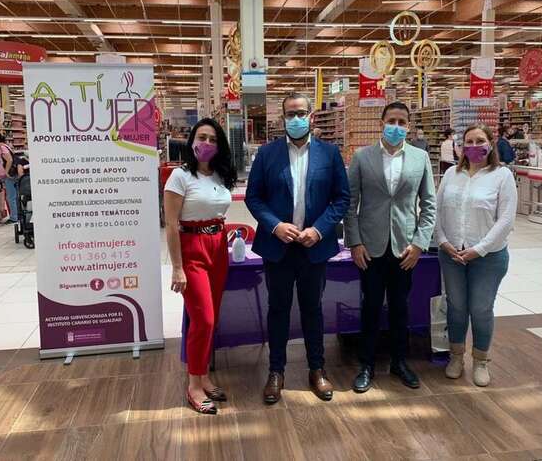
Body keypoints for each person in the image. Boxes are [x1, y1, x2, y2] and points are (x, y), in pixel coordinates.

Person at [245, 92, 350, 405]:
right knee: (278, 309)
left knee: (312, 309)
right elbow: (254, 198)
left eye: (301, 113)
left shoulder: (329, 154)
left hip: (313, 247)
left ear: (311, 116)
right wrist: (275, 225)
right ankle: (276, 371)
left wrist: (318, 230)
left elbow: (341, 198)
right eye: (290, 114)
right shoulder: (267, 154)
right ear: (283, 118)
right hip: (278, 247)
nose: (296, 119)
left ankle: (317, 369)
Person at [345, 102, 436, 393]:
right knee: (370, 306)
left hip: (405, 249)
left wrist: (419, 244)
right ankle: (367, 365)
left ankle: (399, 361)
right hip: (370, 247)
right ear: (381, 123)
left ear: (408, 126)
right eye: (391, 120)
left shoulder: (420, 158)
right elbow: (350, 204)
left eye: (402, 121)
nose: (396, 126)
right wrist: (355, 242)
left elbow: (429, 205)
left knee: (400, 307)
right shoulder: (362, 157)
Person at [164, 118, 237, 415]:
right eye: (202, 137)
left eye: (213, 139)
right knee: (203, 320)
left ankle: (203, 374)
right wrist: (177, 267)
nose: (207, 143)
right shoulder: (179, 176)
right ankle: (194, 385)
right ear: (192, 140)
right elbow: (171, 225)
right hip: (192, 250)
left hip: (218, 248)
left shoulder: (220, 175)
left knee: (212, 318)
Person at [435, 124, 517, 387]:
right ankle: (456, 356)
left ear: (490, 144)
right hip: (452, 254)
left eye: (480, 140)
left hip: (488, 257)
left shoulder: (502, 176)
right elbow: (436, 210)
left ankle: (481, 360)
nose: (473, 146)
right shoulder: (452, 174)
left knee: (481, 308)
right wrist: (443, 241)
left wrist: (478, 249)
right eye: (468, 141)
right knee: (456, 307)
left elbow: (506, 220)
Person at [0, 133, 18, 224]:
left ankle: (14, 218)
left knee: (11, 197)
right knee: (13, 196)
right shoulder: (2, 148)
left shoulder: (2, 148)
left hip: (9, 176)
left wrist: (6, 172)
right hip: (7, 176)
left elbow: (9, 160)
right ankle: (16, 216)